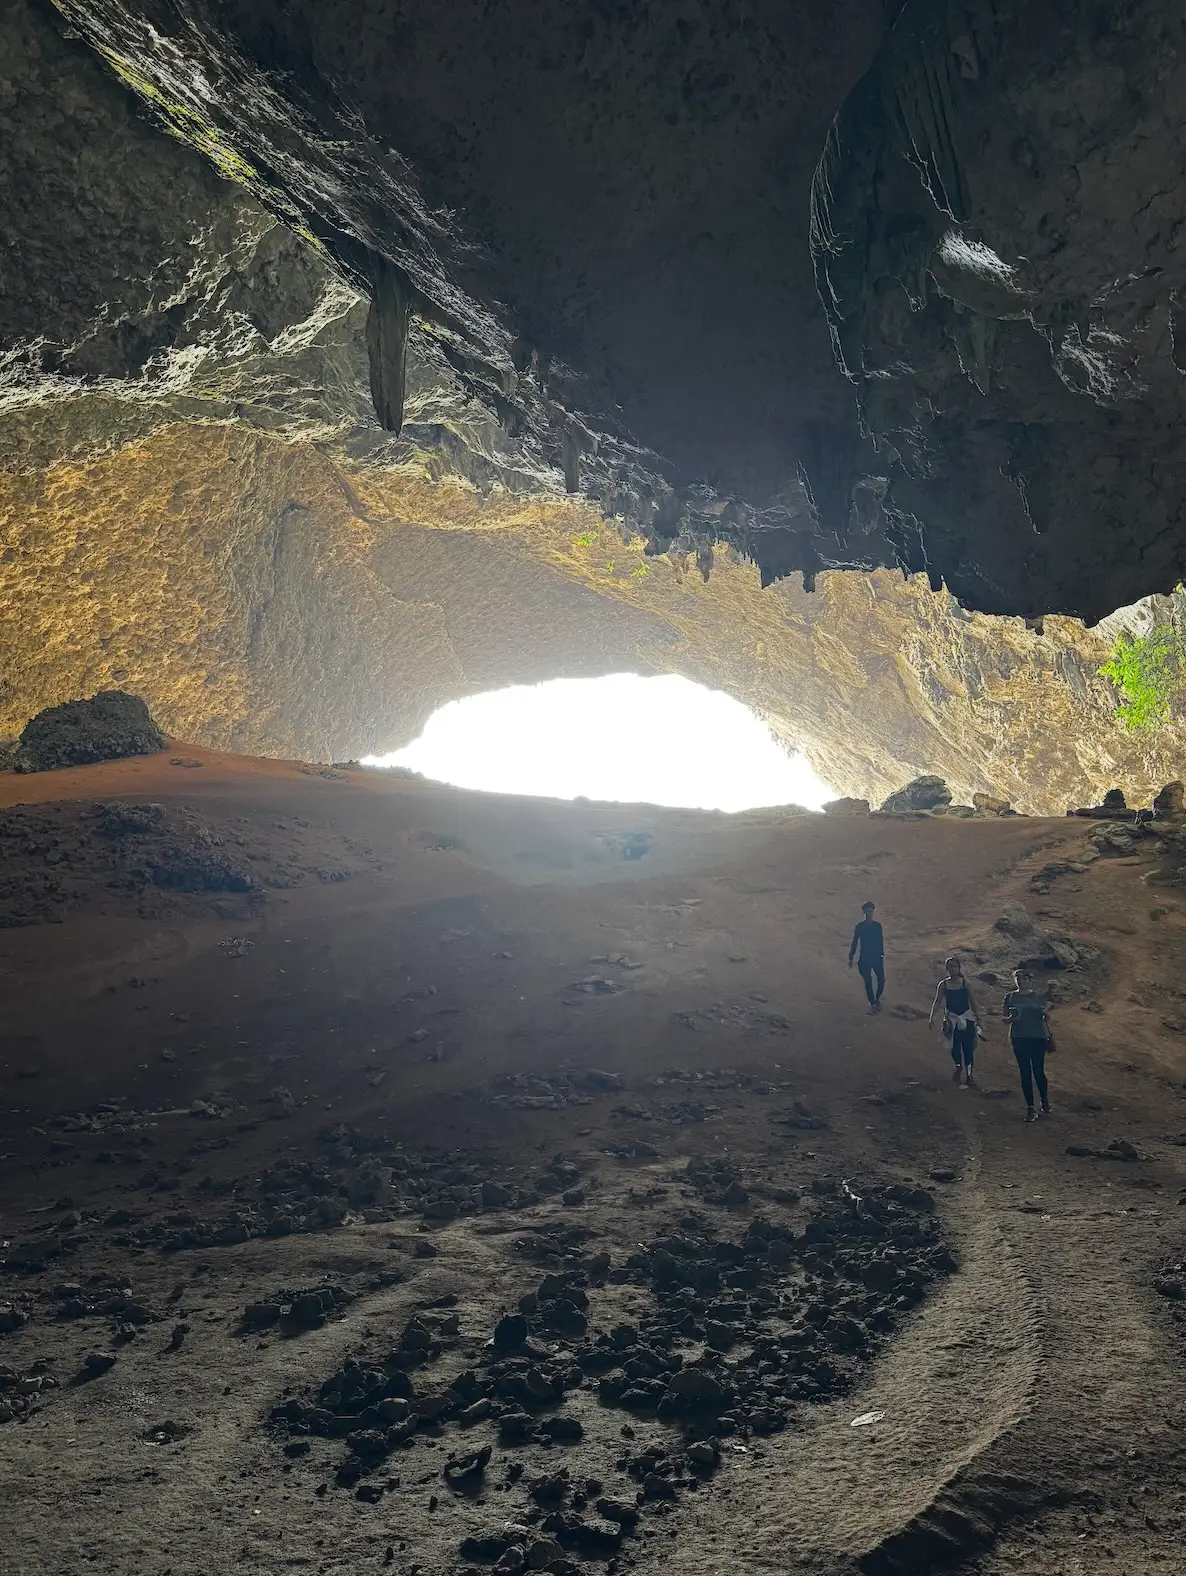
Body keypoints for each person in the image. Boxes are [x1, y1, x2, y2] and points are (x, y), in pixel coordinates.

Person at [1003, 967, 1054, 1122]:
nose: (1021, 981)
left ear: (1029, 980)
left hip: (1036, 1037)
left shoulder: (1038, 997)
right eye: (1018, 978)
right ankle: (1030, 1107)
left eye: (1024, 978)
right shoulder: (1009, 997)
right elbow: (1004, 1018)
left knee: (1038, 1071)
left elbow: (1046, 1014)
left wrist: (1045, 1012)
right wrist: (1012, 1019)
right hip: (1019, 1037)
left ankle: (1044, 1098)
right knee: (1025, 1071)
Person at [928, 956, 983, 1086]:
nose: (953, 969)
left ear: (959, 968)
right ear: (947, 969)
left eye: (955, 966)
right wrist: (931, 1017)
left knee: (968, 1048)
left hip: (967, 1018)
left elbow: (973, 1002)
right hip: (951, 1020)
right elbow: (937, 1001)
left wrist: (979, 1019)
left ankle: (969, 1075)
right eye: (951, 967)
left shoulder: (965, 983)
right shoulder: (943, 985)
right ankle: (958, 1066)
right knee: (954, 1048)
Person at [848, 901, 885, 1013]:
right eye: (867, 912)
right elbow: (855, 942)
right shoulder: (860, 927)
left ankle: (876, 1000)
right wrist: (851, 957)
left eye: (870, 912)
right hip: (865, 959)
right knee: (868, 982)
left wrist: (882, 955)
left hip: (876, 958)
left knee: (881, 981)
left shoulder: (877, 926)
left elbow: (880, 941)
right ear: (864, 913)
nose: (869, 914)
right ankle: (873, 1002)